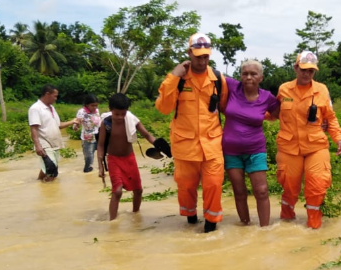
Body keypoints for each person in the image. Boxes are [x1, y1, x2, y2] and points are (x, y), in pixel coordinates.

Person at [155, 32, 228, 233]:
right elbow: (163, 108)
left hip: (212, 144)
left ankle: (211, 227)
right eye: (198, 56)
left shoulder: (217, 79)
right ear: (189, 53)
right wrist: (173, 75)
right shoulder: (178, 79)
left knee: (213, 185)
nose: (203, 60)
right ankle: (190, 220)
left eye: (206, 56)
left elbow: (223, 107)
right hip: (185, 145)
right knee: (186, 188)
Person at [275, 50, 341, 229]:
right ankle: (286, 223)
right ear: (296, 68)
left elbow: (330, 117)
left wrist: (338, 137)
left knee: (317, 185)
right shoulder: (284, 89)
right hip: (289, 147)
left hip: (316, 146)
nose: (306, 74)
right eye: (303, 69)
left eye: (311, 71)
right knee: (289, 187)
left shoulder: (321, 90)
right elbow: (273, 111)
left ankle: (314, 227)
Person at [222, 59, 279, 227]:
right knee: (239, 192)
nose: (248, 77)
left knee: (261, 191)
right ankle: (245, 226)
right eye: (245, 73)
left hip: (256, 150)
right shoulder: (232, 87)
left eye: (253, 74)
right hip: (231, 151)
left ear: (261, 78)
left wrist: (320, 121)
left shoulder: (267, 97)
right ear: (240, 76)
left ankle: (264, 230)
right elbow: (210, 75)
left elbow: (283, 115)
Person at [97, 93, 157, 221]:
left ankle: (136, 216)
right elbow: (101, 145)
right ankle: (112, 222)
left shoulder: (132, 120)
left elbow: (147, 135)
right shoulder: (106, 123)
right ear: (110, 109)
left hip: (129, 158)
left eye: (123, 114)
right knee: (117, 191)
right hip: (113, 159)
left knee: (138, 190)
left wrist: (159, 145)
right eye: (116, 114)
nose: (119, 117)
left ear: (127, 111)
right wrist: (100, 166)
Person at [28, 84, 79, 182]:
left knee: (47, 167)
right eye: (55, 96)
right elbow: (34, 128)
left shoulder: (51, 108)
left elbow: (58, 125)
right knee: (52, 171)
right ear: (47, 94)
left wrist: (73, 121)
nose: (56, 99)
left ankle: (38, 183)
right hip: (44, 144)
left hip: (54, 144)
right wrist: (38, 146)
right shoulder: (36, 108)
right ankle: (48, 193)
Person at [72, 94, 101, 173]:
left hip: (98, 135)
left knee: (102, 153)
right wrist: (76, 126)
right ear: (87, 104)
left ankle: (100, 170)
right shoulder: (82, 112)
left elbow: (99, 122)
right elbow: (76, 123)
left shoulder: (97, 110)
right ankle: (87, 172)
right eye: (92, 105)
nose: (94, 107)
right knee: (89, 157)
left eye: (96, 105)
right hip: (87, 137)